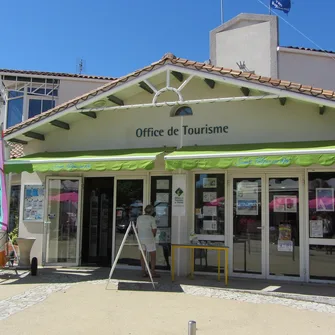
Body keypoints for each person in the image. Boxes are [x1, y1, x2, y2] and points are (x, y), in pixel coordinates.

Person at [136, 204, 160, 278]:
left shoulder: (139, 218)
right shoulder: (152, 218)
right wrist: (153, 235)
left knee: (143, 255)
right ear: (152, 211)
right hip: (149, 239)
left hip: (141, 239)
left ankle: (143, 271)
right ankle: (152, 271)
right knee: (153, 255)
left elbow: (137, 229)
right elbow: (154, 230)